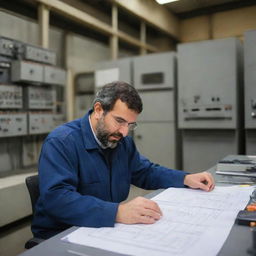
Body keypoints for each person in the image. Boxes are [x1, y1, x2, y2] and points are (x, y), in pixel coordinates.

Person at [32, 81, 215, 239]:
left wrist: (185, 179)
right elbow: (57, 199)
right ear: (98, 110)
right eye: (119, 121)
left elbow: (145, 172)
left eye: (130, 124)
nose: (124, 132)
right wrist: (118, 212)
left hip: (103, 229)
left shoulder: (121, 141)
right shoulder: (62, 142)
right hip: (62, 233)